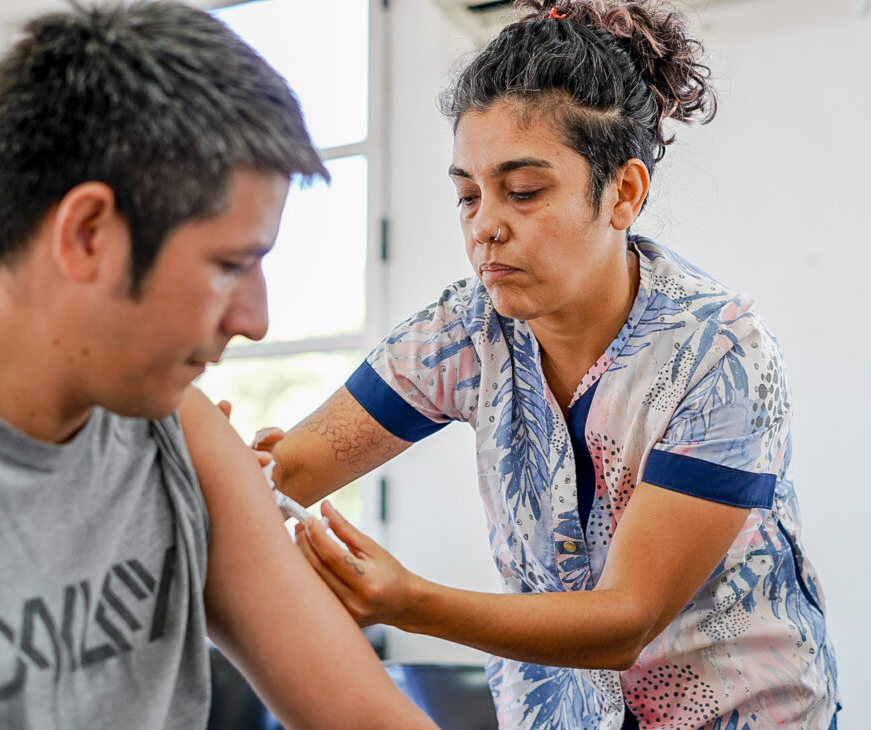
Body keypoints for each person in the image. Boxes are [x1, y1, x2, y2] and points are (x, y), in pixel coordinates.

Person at [257, 1, 840, 728]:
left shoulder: (718, 352)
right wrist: (225, 462)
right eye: (466, 195)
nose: (484, 225)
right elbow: (288, 472)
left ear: (623, 192)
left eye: (523, 191)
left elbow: (625, 620)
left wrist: (408, 603)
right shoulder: (464, 331)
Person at [0, 2, 437, 728]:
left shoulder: (173, 427)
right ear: (88, 233)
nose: (255, 322)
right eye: (230, 266)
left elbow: (365, 717)